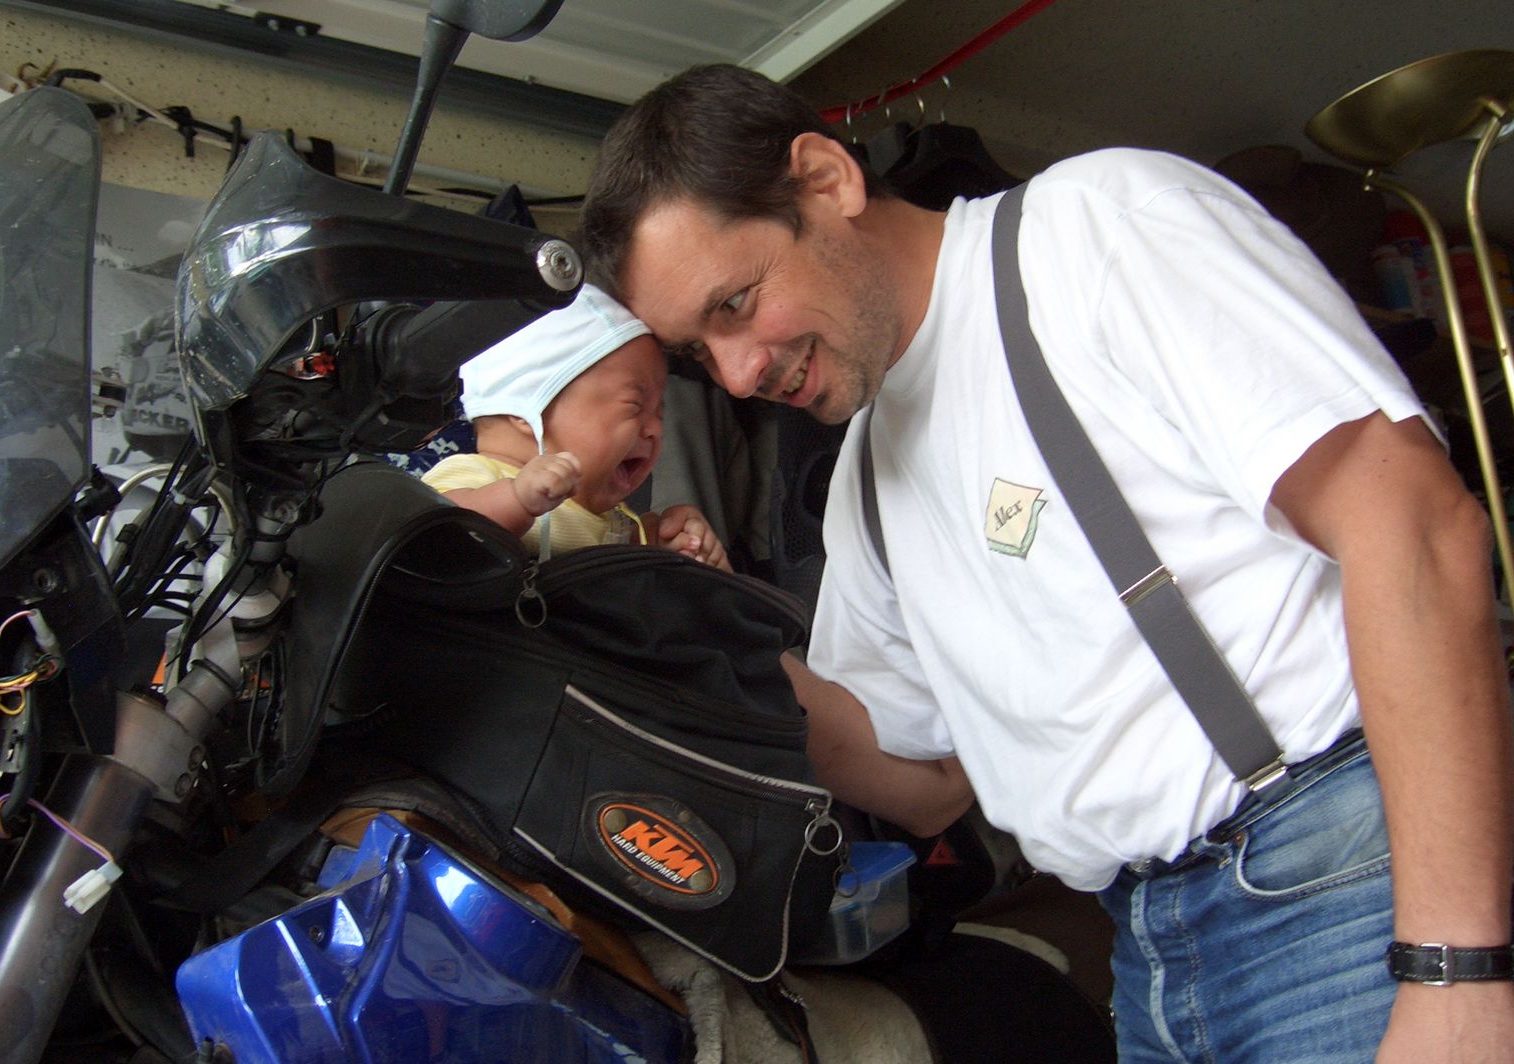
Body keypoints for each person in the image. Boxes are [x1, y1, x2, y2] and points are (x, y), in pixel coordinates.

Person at [576, 63, 1514, 1064]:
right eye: (697, 351)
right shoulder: (866, 481)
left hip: (1342, 877)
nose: (736, 375)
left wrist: (1456, 968)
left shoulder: (1094, 229)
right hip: (1146, 955)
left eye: (734, 303)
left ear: (824, 179)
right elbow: (925, 782)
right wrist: (670, 616)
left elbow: (1413, 528)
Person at [422, 283, 729, 570]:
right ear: (527, 410)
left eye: (659, 414)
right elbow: (432, 533)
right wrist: (515, 501)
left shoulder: (614, 519)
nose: (654, 431)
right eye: (635, 406)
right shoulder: (476, 475)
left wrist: (661, 541)